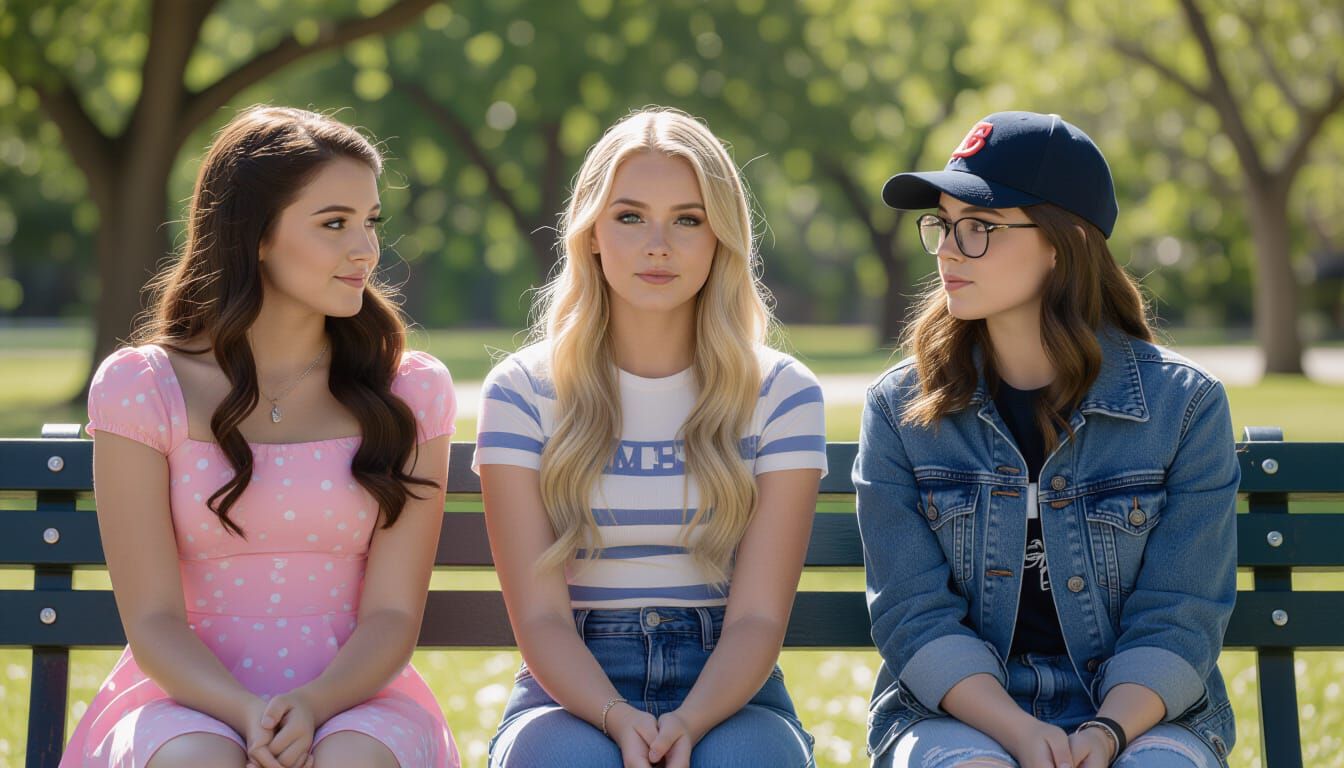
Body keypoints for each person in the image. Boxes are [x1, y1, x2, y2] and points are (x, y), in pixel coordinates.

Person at [63, 106, 460, 768]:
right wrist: (248, 714)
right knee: (197, 761)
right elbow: (155, 619)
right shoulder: (141, 389)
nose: (365, 249)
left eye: (370, 223)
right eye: (335, 223)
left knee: (352, 761)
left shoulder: (409, 392)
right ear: (256, 236)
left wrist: (312, 705)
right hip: (183, 699)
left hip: (355, 700)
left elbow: (392, 614)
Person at [855, 111, 1239, 768]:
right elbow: (912, 614)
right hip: (957, 713)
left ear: (1063, 243)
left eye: (979, 227)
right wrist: (1017, 732)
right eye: (943, 225)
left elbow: (1182, 611)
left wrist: (1106, 734)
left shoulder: (1185, 408)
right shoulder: (899, 409)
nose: (949, 248)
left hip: (1140, 717)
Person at [474, 107, 827, 768]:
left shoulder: (782, 393)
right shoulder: (521, 391)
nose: (657, 245)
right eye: (630, 217)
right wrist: (616, 715)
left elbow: (756, 619)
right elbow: (542, 621)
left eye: (688, 219)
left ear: (721, 236)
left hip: (732, 686)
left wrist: (689, 721)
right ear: (592, 235)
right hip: (567, 688)